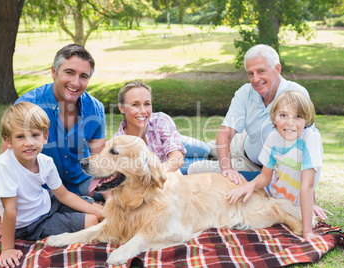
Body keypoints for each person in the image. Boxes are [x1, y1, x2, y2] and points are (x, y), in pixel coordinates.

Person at [0, 44, 106, 242]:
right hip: (42, 190)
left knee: (125, 195)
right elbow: (5, 162)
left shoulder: (95, 108)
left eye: (83, 76)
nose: (75, 82)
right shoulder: (28, 105)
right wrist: (1, 225)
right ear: (54, 72)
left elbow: (101, 163)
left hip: (80, 183)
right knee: (88, 219)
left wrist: (111, 204)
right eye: (69, 72)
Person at [187, 44, 329, 220]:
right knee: (206, 149)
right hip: (243, 142)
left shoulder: (296, 94)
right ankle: (178, 146)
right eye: (250, 73)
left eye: (261, 71)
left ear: (277, 69)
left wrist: (311, 201)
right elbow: (225, 134)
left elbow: (308, 147)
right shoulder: (245, 92)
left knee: (194, 170)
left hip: (262, 167)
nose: (255, 79)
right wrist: (227, 168)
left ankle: (179, 163)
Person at [0, 102, 103, 268]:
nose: (29, 143)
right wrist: (7, 248)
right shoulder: (4, 166)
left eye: (34, 135)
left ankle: (101, 211)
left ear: (45, 137)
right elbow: (10, 209)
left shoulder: (45, 162)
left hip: (48, 202)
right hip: (31, 224)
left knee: (98, 210)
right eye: (20, 137)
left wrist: (100, 210)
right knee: (93, 221)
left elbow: (63, 195)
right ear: (8, 140)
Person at [226, 91, 328, 239]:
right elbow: (265, 176)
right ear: (274, 118)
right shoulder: (273, 137)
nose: (290, 122)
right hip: (273, 197)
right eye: (283, 115)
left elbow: (307, 185)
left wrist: (307, 232)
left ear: (306, 120)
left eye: (297, 116)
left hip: (295, 206)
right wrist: (250, 186)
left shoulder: (310, 138)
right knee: (233, 188)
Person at [115, 81, 186, 171]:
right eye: (135, 105)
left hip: (169, 147)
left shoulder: (161, 120)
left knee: (203, 150)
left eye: (147, 104)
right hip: (163, 171)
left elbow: (177, 158)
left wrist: (158, 174)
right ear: (121, 108)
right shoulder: (117, 144)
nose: (143, 111)